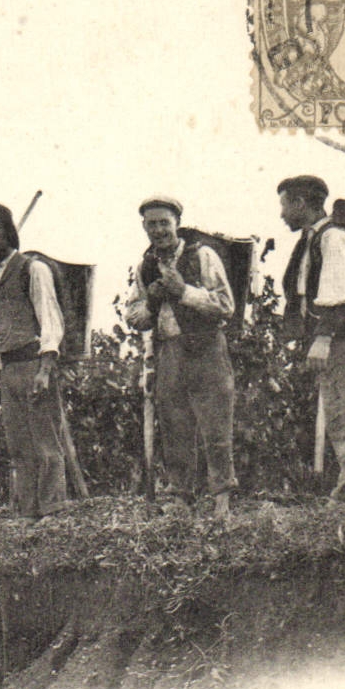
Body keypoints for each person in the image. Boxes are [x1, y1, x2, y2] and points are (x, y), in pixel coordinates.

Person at [123, 197, 238, 518]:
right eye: (152, 224)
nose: (158, 230)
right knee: (174, 425)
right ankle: (181, 497)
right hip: (168, 350)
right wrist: (151, 304)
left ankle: (222, 496)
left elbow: (225, 306)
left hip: (206, 347)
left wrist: (184, 291)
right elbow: (134, 314)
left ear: (177, 223)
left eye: (164, 223)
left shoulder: (202, 256)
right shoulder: (145, 266)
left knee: (216, 423)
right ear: (144, 227)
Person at [278, 175, 345, 512]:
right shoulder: (311, 240)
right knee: (337, 416)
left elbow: (340, 293)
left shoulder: (334, 237)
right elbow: (301, 294)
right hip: (332, 337)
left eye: (284, 205)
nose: (282, 214)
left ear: (300, 203)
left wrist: (323, 337)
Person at [0, 203, 70, 520]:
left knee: (45, 442)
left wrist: (45, 370)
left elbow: (52, 321)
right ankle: (28, 511)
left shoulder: (32, 269)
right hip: (8, 367)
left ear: (9, 230)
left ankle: (51, 510)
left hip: (33, 363)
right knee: (19, 445)